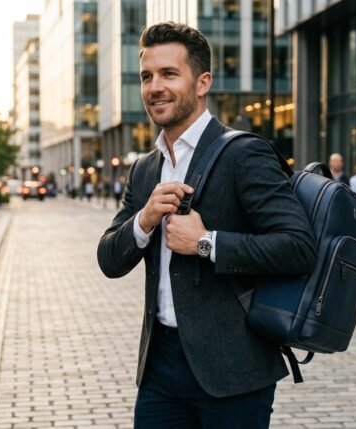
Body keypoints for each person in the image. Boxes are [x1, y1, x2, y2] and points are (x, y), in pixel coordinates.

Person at [97, 22, 316, 428]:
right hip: (160, 367)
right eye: (147, 76)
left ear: (202, 83)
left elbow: (298, 246)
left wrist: (206, 242)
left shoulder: (245, 154)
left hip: (233, 372)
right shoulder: (146, 169)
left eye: (168, 74)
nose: (155, 87)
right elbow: (109, 259)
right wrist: (144, 220)